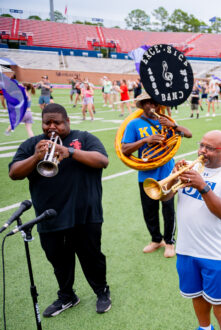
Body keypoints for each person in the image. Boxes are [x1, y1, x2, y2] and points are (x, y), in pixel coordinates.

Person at [8, 103, 112, 316]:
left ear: (67, 122)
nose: (52, 127)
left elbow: (103, 161)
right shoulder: (33, 144)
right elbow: (14, 173)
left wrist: (70, 151)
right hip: (49, 217)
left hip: (85, 215)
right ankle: (67, 296)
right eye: (47, 122)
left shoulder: (84, 138)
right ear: (42, 123)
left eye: (57, 122)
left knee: (92, 257)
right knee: (58, 260)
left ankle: (102, 291)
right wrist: (37, 157)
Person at [159, 130, 221, 330]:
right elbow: (164, 199)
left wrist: (203, 187)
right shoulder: (192, 167)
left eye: (209, 148)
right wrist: (173, 180)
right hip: (186, 248)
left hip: (213, 251)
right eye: (201, 145)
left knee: (219, 299)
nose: (202, 151)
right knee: (195, 294)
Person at [121, 92, 192, 257]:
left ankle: (169, 242)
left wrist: (173, 126)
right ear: (142, 104)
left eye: (154, 102)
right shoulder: (134, 124)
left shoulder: (166, 121)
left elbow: (188, 134)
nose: (152, 105)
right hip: (146, 173)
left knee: (168, 209)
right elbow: (125, 149)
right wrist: (146, 140)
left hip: (168, 172)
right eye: (147, 102)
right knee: (149, 210)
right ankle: (155, 239)